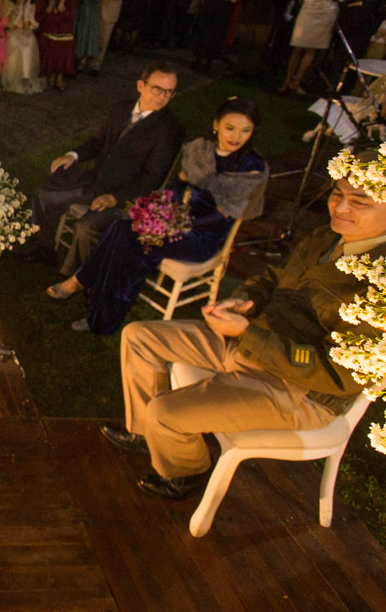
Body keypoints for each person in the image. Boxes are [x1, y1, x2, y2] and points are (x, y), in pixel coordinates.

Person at [98, 148, 384, 500]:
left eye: (360, 202)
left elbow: (337, 376)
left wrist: (249, 334)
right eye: (337, 194)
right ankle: (147, 434)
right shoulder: (327, 237)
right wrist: (244, 301)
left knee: (164, 411)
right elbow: (273, 278)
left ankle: (186, 472)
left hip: (297, 389)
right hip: (253, 339)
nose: (340, 208)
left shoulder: (379, 286)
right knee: (139, 336)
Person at [49, 98, 268, 335]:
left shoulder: (251, 166)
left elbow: (221, 216)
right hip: (175, 219)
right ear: (216, 124)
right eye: (230, 128)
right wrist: (160, 208)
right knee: (122, 229)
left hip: (203, 235)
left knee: (135, 245)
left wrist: (175, 225)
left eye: (246, 131)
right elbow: (178, 184)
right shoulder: (202, 148)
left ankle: (96, 310)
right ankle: (89, 292)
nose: (236, 136)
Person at [28, 62, 185, 274]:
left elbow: (152, 178)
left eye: (169, 92)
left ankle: (81, 276)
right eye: (157, 89)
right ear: (141, 86)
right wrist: (72, 155)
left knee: (85, 228)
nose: (162, 96)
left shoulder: (169, 129)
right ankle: (44, 249)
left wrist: (114, 198)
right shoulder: (121, 108)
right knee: (43, 195)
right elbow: (99, 142)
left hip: (124, 198)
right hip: (94, 181)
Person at [281, 0, 352, 94]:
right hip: (310, 10)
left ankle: (297, 81)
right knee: (299, 47)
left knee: (311, 50)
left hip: (327, 12)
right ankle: (287, 80)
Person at [35, 0, 77, 91]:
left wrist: (61, 11)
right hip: (48, 29)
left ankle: (60, 75)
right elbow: (39, 17)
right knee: (50, 42)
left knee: (64, 44)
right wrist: (50, 10)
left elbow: (71, 16)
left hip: (64, 30)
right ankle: (51, 72)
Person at [1, 0, 42, 94]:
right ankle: (12, 79)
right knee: (14, 48)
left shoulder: (30, 7)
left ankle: (25, 79)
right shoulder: (12, 7)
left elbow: (29, 25)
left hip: (26, 33)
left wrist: (25, 15)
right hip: (14, 33)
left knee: (26, 49)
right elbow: (10, 23)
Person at [69, 0, 106, 74]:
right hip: (79, 11)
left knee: (89, 37)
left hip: (91, 12)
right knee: (78, 35)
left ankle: (85, 62)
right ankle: (75, 62)